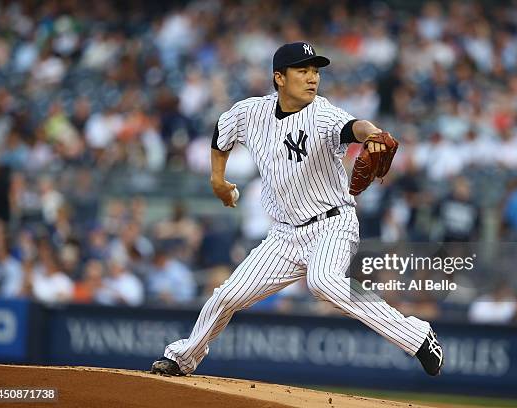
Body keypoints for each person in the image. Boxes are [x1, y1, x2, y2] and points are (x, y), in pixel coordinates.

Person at [151, 42, 443, 377]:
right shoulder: (252, 113)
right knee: (226, 296)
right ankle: (182, 358)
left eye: (315, 71)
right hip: (284, 236)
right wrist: (218, 180)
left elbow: (354, 127)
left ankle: (417, 336)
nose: (312, 78)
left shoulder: (322, 114)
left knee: (323, 281)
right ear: (279, 78)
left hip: (332, 224)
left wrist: (373, 133)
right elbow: (222, 130)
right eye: (302, 70)